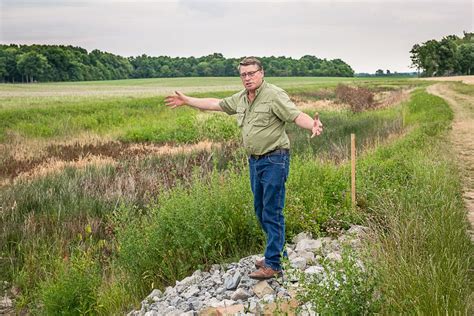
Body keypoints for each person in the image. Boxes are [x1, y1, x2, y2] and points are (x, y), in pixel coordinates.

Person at [165, 57, 323, 280]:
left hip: (274, 160)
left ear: (262, 73)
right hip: (255, 161)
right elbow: (215, 104)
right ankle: (276, 253)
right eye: (243, 75)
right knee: (260, 210)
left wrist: (312, 125)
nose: (247, 78)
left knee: (272, 210)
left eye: (251, 73)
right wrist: (187, 100)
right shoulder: (241, 99)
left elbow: (296, 115)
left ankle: (274, 264)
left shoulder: (274, 95)